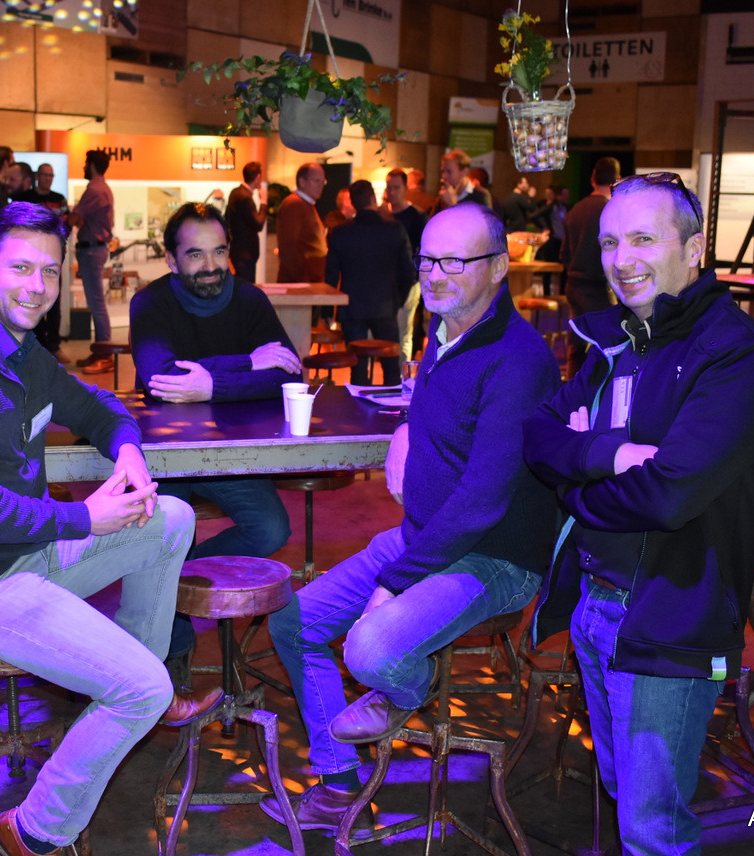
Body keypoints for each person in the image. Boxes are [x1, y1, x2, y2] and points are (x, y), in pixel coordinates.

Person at [0, 201, 220, 856]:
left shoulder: (22, 352)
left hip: (22, 555)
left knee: (171, 517)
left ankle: (131, 686)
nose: (36, 286)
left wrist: (126, 450)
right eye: (20, 268)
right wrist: (85, 517)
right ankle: (36, 828)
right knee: (142, 689)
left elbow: (96, 406)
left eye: (49, 270)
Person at [263, 202, 558, 837]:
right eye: (427, 260)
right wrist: (405, 427)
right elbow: (444, 414)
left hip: (495, 557)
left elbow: (483, 499)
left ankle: (408, 687)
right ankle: (340, 780)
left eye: (455, 261)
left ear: (499, 268)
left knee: (371, 650)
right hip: (425, 536)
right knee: (293, 619)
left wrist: (397, 581)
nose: (436, 274)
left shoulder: (518, 359)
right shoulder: (443, 332)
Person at [523, 173, 754, 856]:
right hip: (597, 606)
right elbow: (541, 435)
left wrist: (575, 492)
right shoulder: (618, 342)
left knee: (653, 828)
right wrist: (608, 453)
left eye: (643, 239)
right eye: (611, 242)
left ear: (694, 250)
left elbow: (668, 495)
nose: (622, 259)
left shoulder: (735, 352)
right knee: (625, 796)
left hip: (671, 616)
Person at [129, 203, 299, 686]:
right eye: (195, 254)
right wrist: (246, 363)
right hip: (163, 453)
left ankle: (173, 585)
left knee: (270, 528)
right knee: (165, 534)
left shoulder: (250, 300)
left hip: (229, 450)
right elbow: (160, 378)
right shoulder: (150, 303)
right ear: (171, 259)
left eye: (219, 252)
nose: (210, 266)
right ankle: (173, 645)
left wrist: (210, 385)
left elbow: (287, 373)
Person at [324, 180, 415, 387]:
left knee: (357, 366)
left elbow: (331, 276)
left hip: (352, 306)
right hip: (385, 304)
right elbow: (408, 273)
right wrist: (397, 300)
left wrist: (327, 312)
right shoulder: (394, 229)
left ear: (353, 203)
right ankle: (390, 403)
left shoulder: (341, 233)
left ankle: (358, 404)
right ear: (373, 199)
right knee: (391, 366)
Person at [561, 156, 620, 376]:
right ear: (616, 180)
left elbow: (564, 254)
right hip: (598, 287)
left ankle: (573, 386)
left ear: (593, 178)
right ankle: (599, 390)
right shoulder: (611, 210)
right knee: (608, 345)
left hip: (573, 284)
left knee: (577, 345)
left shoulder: (576, 209)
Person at [13, 162, 69, 359]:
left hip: (52, 256)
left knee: (53, 301)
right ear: (38, 176)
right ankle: (35, 345)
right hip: (28, 256)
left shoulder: (58, 199)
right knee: (29, 298)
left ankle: (53, 346)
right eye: (45, 175)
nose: (48, 179)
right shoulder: (26, 198)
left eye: (51, 176)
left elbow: (66, 226)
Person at [70, 149, 116, 371]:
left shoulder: (95, 189)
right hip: (93, 250)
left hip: (92, 251)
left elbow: (75, 218)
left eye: (86, 163)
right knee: (96, 303)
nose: (83, 167)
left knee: (97, 304)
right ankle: (100, 350)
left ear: (93, 165)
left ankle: (105, 356)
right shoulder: (102, 188)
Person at [385, 168, 428, 358]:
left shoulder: (416, 216)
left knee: (403, 331)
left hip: (408, 279)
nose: (392, 192)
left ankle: (403, 371)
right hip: (386, 280)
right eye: (389, 188)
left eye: (396, 188)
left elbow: (422, 249)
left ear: (405, 189)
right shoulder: (383, 214)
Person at [276, 162, 328, 283]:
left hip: (308, 280)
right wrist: (303, 279)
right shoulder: (294, 204)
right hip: (299, 283)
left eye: (323, 181)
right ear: (302, 182)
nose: (321, 185)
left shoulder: (306, 204)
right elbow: (288, 245)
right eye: (317, 181)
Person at [225, 160, 267, 283]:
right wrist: (263, 202)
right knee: (245, 287)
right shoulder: (245, 196)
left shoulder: (235, 192)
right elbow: (258, 224)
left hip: (238, 251)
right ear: (258, 177)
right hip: (245, 254)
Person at [434, 149, 493, 213]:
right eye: (443, 171)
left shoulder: (480, 195)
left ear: (464, 172)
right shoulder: (444, 196)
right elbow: (433, 219)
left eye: (449, 172)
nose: (444, 176)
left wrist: (452, 205)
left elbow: (485, 219)